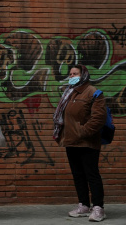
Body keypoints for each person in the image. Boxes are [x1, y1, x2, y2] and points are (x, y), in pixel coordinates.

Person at [53, 64, 107, 222]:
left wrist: (82, 132)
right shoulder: (69, 93)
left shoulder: (93, 92)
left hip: (87, 142)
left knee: (92, 174)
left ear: (83, 75)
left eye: (75, 73)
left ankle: (98, 208)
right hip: (71, 141)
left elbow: (98, 118)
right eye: (70, 74)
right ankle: (83, 205)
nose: (71, 76)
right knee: (78, 175)